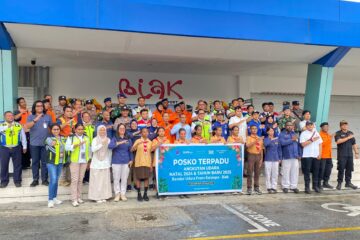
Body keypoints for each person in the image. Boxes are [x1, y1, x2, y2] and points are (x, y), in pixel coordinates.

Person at [26, 100, 52, 187]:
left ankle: (44, 180)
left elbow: (52, 128)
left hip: (45, 144)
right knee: (35, 162)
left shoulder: (48, 117)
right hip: (34, 144)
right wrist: (35, 119)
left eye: (41, 106)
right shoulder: (30, 116)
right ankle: (35, 179)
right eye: (37, 106)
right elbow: (27, 126)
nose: (40, 107)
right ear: (34, 107)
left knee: (45, 162)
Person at [65, 123, 91, 207]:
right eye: (79, 129)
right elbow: (67, 147)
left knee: (80, 180)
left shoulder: (86, 138)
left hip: (84, 160)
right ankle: (74, 199)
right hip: (74, 161)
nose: (80, 131)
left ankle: (79, 197)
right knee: (75, 180)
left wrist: (89, 160)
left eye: (82, 129)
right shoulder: (71, 137)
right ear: (75, 130)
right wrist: (76, 145)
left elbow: (89, 149)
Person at [0, 111, 27, 188]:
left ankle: (17, 181)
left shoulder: (18, 125)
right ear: (5, 117)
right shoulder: (1, 124)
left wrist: (24, 146)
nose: (10, 117)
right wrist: (7, 126)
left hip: (16, 147)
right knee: (4, 165)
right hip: (4, 147)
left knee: (18, 165)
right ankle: (4, 181)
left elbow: (23, 136)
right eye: (8, 116)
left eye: (12, 115)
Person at [109, 124, 133, 202]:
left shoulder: (128, 139)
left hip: (126, 161)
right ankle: (117, 194)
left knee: (124, 179)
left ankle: (123, 194)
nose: (122, 129)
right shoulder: (115, 138)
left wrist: (131, 160)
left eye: (123, 128)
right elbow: (110, 146)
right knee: (116, 179)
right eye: (120, 128)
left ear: (125, 130)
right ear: (118, 130)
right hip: (116, 161)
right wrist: (119, 143)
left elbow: (130, 150)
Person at [88, 125, 112, 203]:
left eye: (104, 130)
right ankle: (96, 197)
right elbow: (93, 149)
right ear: (98, 131)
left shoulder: (108, 140)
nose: (102, 132)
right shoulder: (95, 139)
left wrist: (109, 162)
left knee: (104, 180)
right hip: (96, 163)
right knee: (96, 181)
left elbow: (109, 152)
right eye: (101, 130)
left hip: (105, 162)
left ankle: (104, 196)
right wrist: (101, 143)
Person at [45, 124, 66, 208]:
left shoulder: (63, 138)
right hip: (51, 162)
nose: (56, 131)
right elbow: (52, 144)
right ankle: (50, 200)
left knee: (56, 180)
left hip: (60, 162)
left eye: (57, 129)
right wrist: (56, 140)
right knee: (53, 180)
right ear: (51, 130)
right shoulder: (48, 139)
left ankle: (54, 198)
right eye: (54, 129)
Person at [334, 120, 359, 190]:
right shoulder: (338, 133)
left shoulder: (350, 133)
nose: (345, 126)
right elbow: (338, 141)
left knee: (349, 169)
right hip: (342, 155)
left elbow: (354, 144)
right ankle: (339, 183)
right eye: (343, 125)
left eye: (346, 125)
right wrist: (348, 137)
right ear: (340, 126)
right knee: (341, 169)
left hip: (349, 155)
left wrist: (356, 153)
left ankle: (348, 183)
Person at [300, 121, 323, 193]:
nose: (310, 126)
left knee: (316, 171)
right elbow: (303, 144)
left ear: (313, 126)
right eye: (308, 125)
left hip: (315, 155)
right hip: (307, 155)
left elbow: (320, 144)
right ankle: (307, 187)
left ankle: (315, 186)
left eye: (311, 125)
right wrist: (312, 140)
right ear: (306, 126)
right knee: (307, 172)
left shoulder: (316, 133)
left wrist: (320, 154)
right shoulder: (303, 134)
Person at [132, 128, 153, 202]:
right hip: (139, 162)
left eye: (146, 132)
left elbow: (151, 153)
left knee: (146, 178)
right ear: (141, 133)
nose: (145, 133)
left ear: (148, 133)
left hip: (147, 162)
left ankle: (145, 194)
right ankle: (139, 193)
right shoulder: (137, 141)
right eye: (143, 132)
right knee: (138, 178)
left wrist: (151, 164)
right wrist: (137, 144)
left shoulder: (150, 142)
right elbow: (132, 149)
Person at [279, 121, 300, 193]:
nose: (289, 127)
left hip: (295, 156)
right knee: (286, 172)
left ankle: (293, 186)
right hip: (286, 156)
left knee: (294, 172)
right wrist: (292, 140)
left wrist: (299, 154)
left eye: (291, 125)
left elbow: (298, 145)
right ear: (285, 126)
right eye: (288, 125)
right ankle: (285, 186)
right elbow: (282, 143)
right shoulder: (282, 134)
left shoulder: (295, 134)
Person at [151, 127, 170, 196]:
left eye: (163, 131)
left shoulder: (167, 140)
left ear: (164, 132)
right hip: (157, 162)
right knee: (157, 177)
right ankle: (158, 192)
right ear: (158, 132)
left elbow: (169, 151)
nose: (161, 132)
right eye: (160, 131)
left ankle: (164, 191)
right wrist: (159, 143)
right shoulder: (154, 140)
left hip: (165, 162)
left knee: (164, 176)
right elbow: (152, 149)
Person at [14, 97, 31, 169]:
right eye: (21, 102)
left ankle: (27, 164)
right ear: (18, 104)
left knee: (29, 149)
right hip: (22, 133)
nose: (24, 103)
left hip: (29, 132)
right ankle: (23, 165)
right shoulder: (17, 111)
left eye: (24, 101)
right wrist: (22, 112)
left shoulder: (29, 111)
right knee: (23, 149)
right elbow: (15, 118)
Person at [245, 125, 264, 195]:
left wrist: (261, 158)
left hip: (258, 155)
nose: (254, 130)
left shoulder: (259, 138)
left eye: (255, 129)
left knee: (257, 172)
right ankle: (249, 188)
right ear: (250, 130)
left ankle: (256, 187)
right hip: (251, 155)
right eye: (253, 129)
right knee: (250, 171)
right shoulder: (249, 137)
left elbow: (261, 149)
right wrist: (255, 141)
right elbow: (247, 146)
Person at [264, 127, 282, 193]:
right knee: (268, 173)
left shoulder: (277, 139)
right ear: (267, 132)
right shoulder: (266, 139)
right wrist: (271, 139)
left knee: (275, 173)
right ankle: (268, 187)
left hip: (276, 158)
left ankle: (274, 187)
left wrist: (280, 158)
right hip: (268, 158)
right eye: (270, 131)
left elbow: (279, 149)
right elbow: (266, 144)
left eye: (272, 131)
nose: (272, 132)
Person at [319, 122, 334, 189]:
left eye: (327, 126)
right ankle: (319, 183)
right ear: (321, 128)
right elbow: (323, 144)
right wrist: (330, 138)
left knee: (328, 170)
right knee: (321, 170)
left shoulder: (328, 134)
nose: (326, 128)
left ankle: (325, 182)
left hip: (329, 155)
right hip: (322, 156)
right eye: (325, 127)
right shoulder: (320, 135)